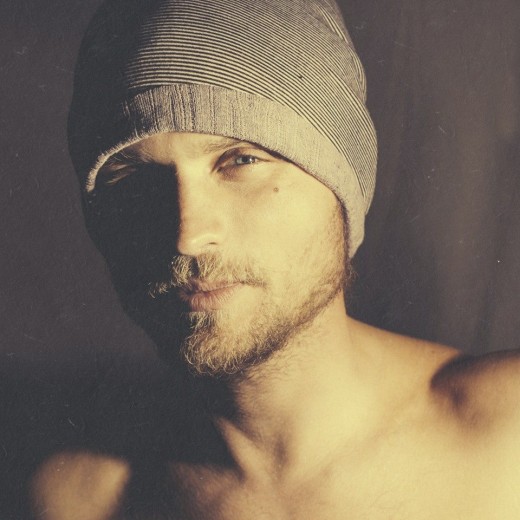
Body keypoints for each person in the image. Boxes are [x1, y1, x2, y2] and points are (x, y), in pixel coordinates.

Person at [29, 0, 520, 518]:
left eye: (241, 160)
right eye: (132, 177)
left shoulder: (507, 434)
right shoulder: (80, 498)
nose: (188, 236)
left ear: (343, 185)